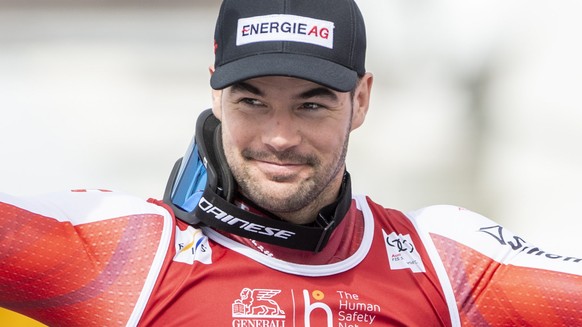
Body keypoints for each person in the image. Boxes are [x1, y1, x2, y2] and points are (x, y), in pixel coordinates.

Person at [1, 0, 581, 326]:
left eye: (311, 104)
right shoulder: (126, 255)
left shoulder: (444, 261)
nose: (279, 137)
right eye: (253, 101)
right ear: (215, 94)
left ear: (361, 101)